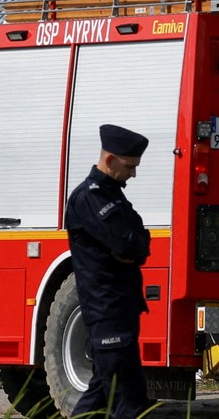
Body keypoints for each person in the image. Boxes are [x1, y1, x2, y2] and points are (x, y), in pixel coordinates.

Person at [65, 124, 151, 419]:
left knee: (101, 393)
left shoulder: (113, 195)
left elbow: (140, 242)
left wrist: (133, 245)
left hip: (121, 309)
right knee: (129, 400)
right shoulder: (89, 198)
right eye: (129, 166)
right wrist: (132, 246)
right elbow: (127, 244)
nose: (133, 174)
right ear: (111, 160)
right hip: (106, 310)